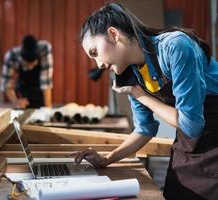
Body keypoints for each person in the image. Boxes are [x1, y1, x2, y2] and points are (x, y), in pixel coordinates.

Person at [73, 3, 218, 200]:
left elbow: (191, 125)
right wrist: (106, 160)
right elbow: (145, 129)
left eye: (95, 52)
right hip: (189, 146)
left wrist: (139, 94)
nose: (99, 65)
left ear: (114, 34)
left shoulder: (175, 47)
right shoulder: (131, 72)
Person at [0, 34, 53, 108]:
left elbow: (46, 82)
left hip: (39, 90)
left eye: (33, 65)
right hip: (23, 91)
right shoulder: (11, 56)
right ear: (21, 60)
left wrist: (48, 108)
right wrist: (16, 102)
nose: (30, 68)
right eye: (27, 65)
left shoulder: (44, 49)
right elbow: (6, 85)